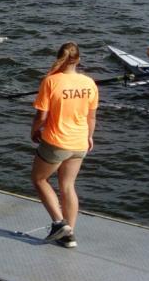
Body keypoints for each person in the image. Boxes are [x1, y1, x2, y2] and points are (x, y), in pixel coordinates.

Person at [30, 42, 98, 249]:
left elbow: (42, 116)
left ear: (59, 57)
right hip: (80, 141)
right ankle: (69, 235)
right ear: (78, 59)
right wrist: (89, 136)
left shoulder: (50, 81)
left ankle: (59, 223)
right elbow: (91, 116)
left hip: (57, 141)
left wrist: (34, 130)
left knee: (39, 179)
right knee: (68, 186)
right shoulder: (89, 83)